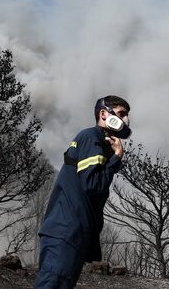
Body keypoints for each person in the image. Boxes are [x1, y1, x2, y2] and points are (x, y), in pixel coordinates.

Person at [34, 95, 132, 289]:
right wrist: (116, 158)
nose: (126, 120)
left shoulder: (99, 142)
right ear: (104, 114)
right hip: (66, 231)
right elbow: (93, 185)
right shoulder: (91, 137)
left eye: (127, 115)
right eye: (121, 114)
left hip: (73, 234)